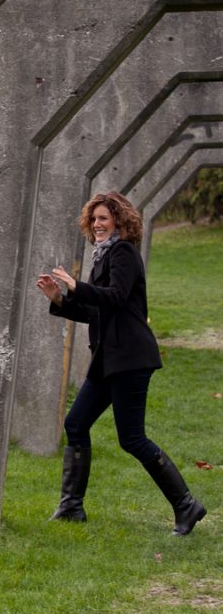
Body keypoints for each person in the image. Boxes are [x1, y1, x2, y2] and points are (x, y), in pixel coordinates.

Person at [37, 191, 206, 536]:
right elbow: (93, 311)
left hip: (130, 359)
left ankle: (187, 506)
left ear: (119, 220)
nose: (97, 224)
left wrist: (78, 286)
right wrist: (60, 299)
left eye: (104, 218)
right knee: (76, 422)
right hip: (107, 359)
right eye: (94, 219)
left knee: (132, 438)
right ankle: (71, 507)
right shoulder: (104, 255)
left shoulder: (124, 253)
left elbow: (114, 298)